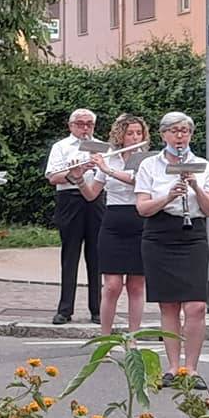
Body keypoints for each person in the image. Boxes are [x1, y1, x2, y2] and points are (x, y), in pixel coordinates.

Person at [135, 111, 209, 391]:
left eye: (185, 131)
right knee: (169, 304)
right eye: (174, 131)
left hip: (192, 235)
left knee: (196, 306)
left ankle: (191, 369)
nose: (180, 136)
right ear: (163, 135)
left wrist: (195, 185)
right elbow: (143, 208)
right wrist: (169, 196)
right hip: (160, 234)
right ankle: (172, 367)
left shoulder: (202, 165)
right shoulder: (150, 165)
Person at [75, 114, 149, 335]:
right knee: (112, 286)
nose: (135, 137)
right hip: (113, 222)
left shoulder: (147, 160)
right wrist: (78, 178)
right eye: (130, 133)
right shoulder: (109, 157)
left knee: (136, 286)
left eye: (139, 133)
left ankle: (133, 338)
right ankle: (105, 338)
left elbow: (138, 182)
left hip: (139, 220)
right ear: (121, 135)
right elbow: (91, 195)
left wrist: (107, 170)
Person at [44, 108, 105, 325]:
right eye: (80, 123)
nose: (85, 128)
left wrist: (95, 166)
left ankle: (97, 309)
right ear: (71, 126)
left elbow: (107, 174)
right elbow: (52, 177)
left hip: (95, 198)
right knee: (70, 255)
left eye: (89, 124)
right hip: (70, 199)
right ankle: (65, 309)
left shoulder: (101, 147)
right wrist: (74, 173)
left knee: (96, 255)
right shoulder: (61, 147)